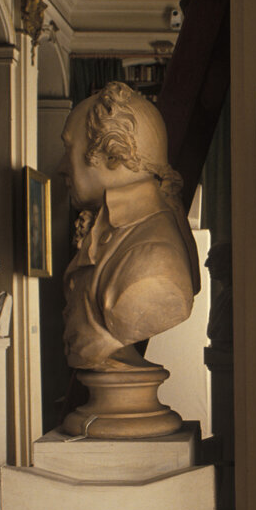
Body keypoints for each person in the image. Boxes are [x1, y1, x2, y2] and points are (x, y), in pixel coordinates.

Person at [59, 81, 199, 372]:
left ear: (112, 155)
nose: (62, 166)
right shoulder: (111, 230)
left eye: (69, 149)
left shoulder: (154, 257)